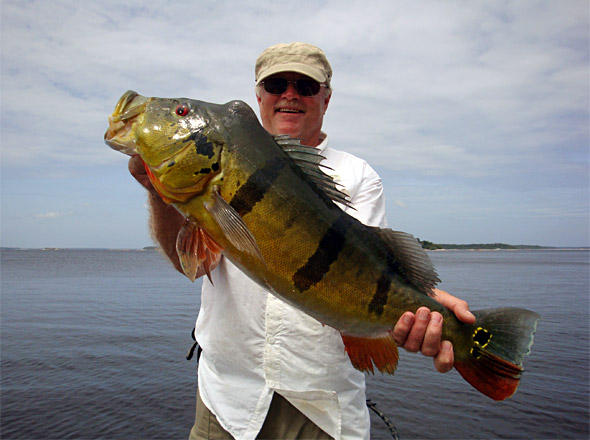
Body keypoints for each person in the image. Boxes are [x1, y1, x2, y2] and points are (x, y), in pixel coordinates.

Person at [128, 42, 476, 440]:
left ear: (325, 99)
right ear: (259, 95)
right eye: (277, 84)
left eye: (306, 87)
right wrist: (159, 190)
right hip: (226, 401)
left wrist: (424, 304)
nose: (289, 94)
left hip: (322, 410)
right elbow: (192, 263)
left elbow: (367, 274)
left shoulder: (358, 176)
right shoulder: (215, 172)